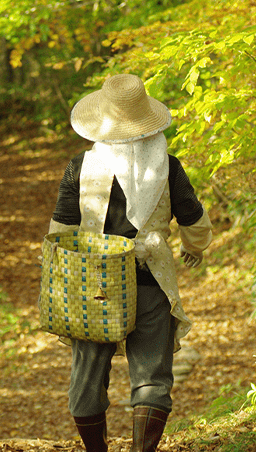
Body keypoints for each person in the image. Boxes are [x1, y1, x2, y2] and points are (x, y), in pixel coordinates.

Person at [48, 74, 213, 452]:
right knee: (152, 375)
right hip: (149, 278)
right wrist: (196, 246)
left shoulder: (80, 166)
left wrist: (60, 278)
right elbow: (191, 215)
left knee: (87, 374)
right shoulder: (167, 167)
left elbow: (61, 228)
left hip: (94, 282)